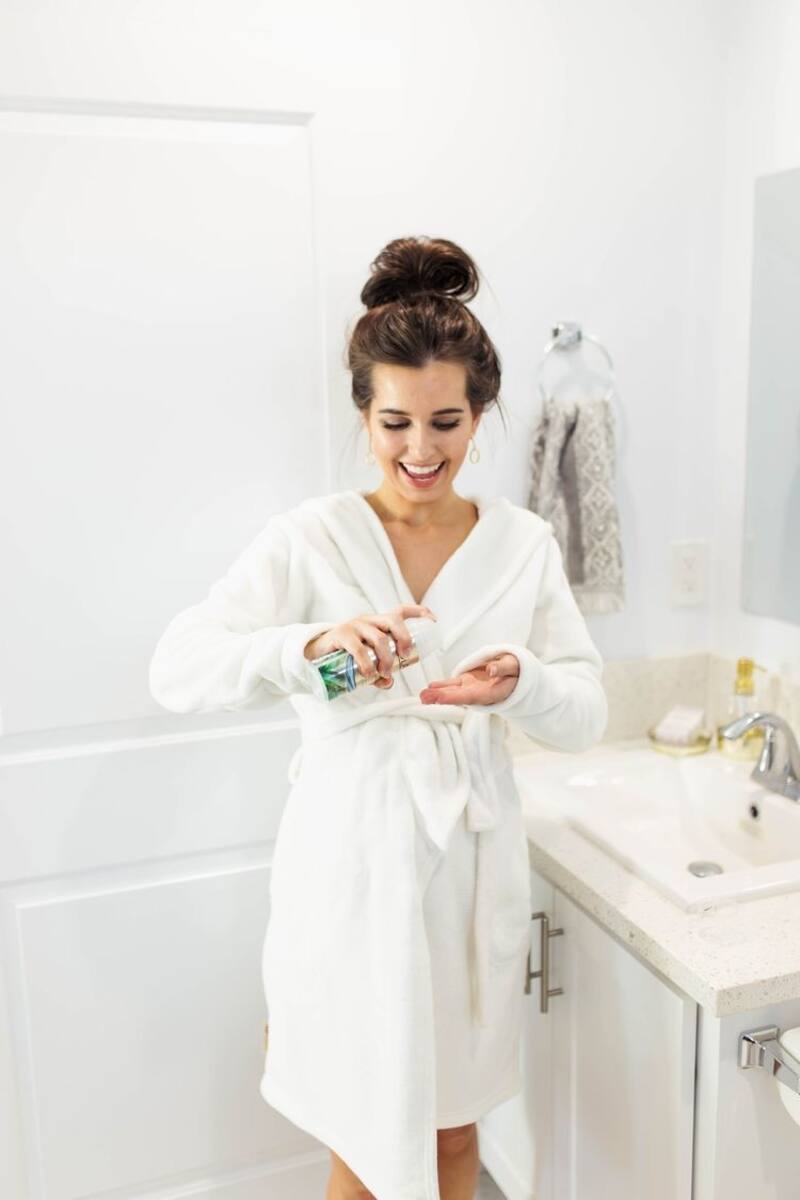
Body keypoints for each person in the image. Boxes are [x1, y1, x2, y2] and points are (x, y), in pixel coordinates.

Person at [148, 235, 608, 1200]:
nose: (421, 450)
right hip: (351, 877)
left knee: (455, 1141)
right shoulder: (313, 539)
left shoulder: (522, 546)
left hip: (468, 883)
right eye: (396, 422)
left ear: (480, 414)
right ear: (364, 413)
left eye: (446, 421)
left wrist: (520, 681)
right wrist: (308, 648)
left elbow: (585, 712)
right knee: (364, 1147)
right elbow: (178, 668)